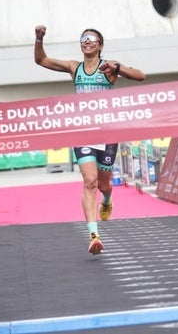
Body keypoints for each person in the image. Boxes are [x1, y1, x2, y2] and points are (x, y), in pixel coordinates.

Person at [34, 25, 145, 255]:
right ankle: (94, 235)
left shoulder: (109, 67)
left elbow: (141, 76)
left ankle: (107, 200)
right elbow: (41, 60)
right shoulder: (75, 68)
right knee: (90, 181)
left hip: (106, 132)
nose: (86, 41)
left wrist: (116, 67)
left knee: (104, 186)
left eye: (91, 39)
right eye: (83, 39)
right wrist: (38, 39)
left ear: (100, 45)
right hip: (83, 131)